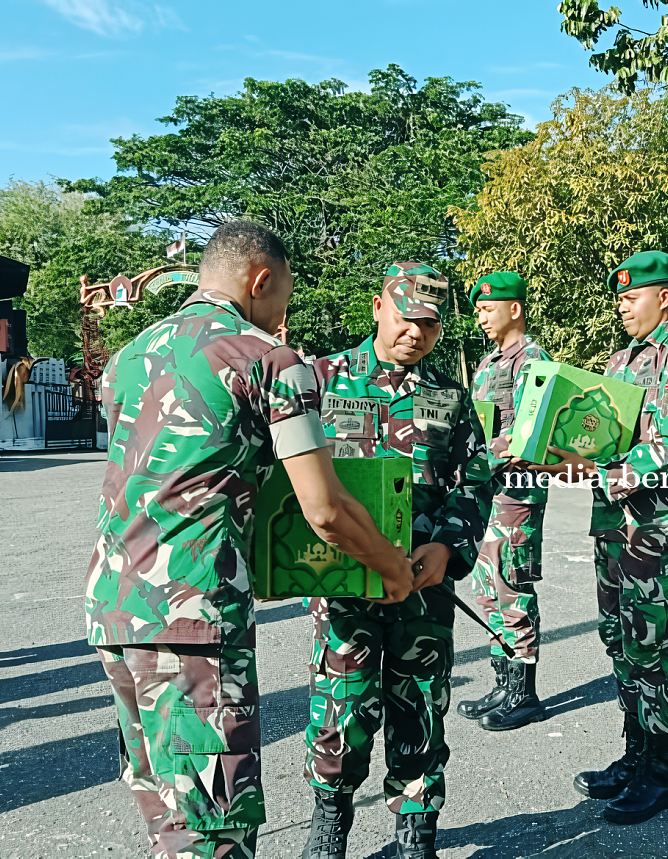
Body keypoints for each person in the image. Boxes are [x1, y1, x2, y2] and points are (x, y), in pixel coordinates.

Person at [85, 221, 414, 859]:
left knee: (169, 818)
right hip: (193, 615)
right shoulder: (266, 359)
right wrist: (389, 567)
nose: (283, 314)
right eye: (284, 296)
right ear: (261, 281)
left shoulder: (130, 356)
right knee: (216, 827)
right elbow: (324, 508)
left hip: (114, 607)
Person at [301, 262, 493, 859]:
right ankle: (330, 819)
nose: (417, 332)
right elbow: (287, 476)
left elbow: (475, 478)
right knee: (342, 708)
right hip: (345, 585)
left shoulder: (449, 396)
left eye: (430, 324)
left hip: (422, 587)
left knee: (421, 708)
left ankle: (416, 828)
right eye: (407, 318)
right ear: (379, 307)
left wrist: (449, 545)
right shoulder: (321, 380)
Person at [529, 250, 668, 825]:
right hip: (614, 524)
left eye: (631, 298)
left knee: (652, 645)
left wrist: (591, 473)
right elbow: (607, 433)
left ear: (664, 297)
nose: (622, 307)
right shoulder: (622, 360)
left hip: (653, 527)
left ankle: (659, 771)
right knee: (620, 641)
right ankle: (634, 755)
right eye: (620, 299)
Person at [456, 271, 553, 730]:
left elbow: (528, 432)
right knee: (488, 588)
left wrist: (476, 459)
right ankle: (502, 683)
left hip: (516, 491)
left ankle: (524, 694)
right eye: (478, 310)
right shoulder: (488, 363)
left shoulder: (531, 361)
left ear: (514, 309)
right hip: (489, 493)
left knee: (512, 586)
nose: (481, 318)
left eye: (487, 309)